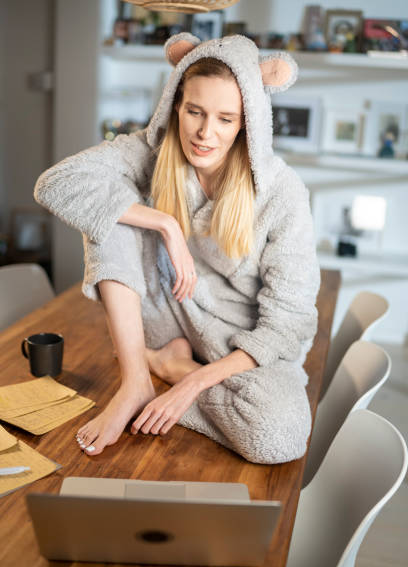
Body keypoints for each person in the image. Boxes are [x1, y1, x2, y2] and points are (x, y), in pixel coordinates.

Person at [34, 32, 320, 464]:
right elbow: (55, 184)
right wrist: (164, 222)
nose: (206, 133)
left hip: (240, 347)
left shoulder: (282, 193)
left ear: (247, 123)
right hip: (166, 315)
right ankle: (135, 380)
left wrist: (190, 382)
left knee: (278, 436)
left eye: (226, 119)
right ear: (175, 105)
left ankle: (167, 368)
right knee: (111, 211)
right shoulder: (150, 153)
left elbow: (288, 324)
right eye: (195, 112)